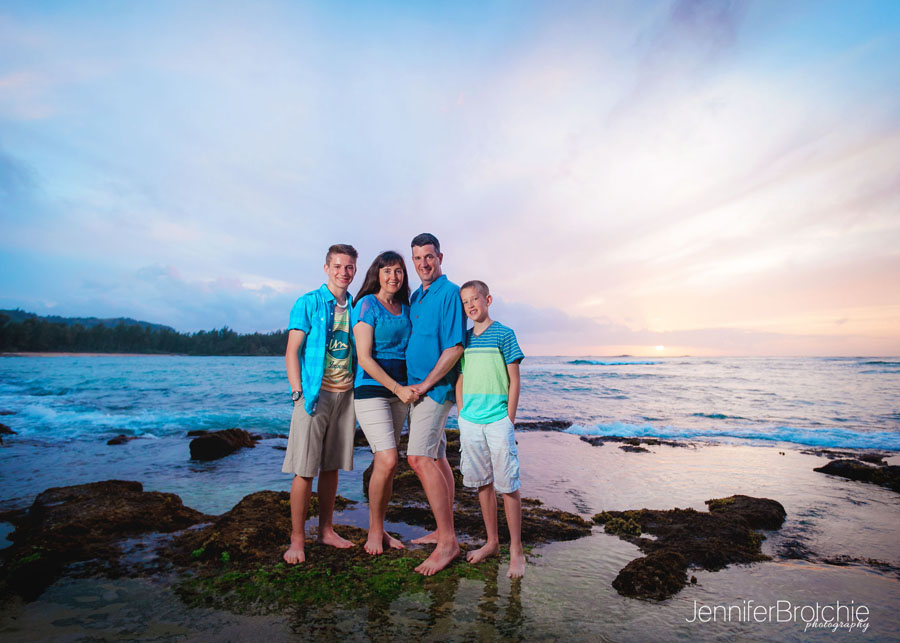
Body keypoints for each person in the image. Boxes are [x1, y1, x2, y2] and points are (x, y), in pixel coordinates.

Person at [281, 244, 359, 564]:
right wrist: (298, 394)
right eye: (338, 266)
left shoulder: (357, 306)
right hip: (315, 396)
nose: (344, 272)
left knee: (330, 467)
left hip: (346, 395)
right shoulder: (308, 302)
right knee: (304, 469)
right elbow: (292, 351)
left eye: (350, 267)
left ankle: (326, 531)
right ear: (326, 268)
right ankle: (297, 539)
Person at [454, 279, 526, 578]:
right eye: (466, 302)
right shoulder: (464, 340)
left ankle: (517, 551)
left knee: (508, 485)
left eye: (475, 299)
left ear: (488, 299)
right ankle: (492, 542)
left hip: (498, 420)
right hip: (470, 421)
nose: (471, 305)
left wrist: (509, 418)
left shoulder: (504, 334)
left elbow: (514, 380)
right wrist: (461, 414)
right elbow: (460, 378)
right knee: (482, 483)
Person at [405, 232, 466, 576]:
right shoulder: (417, 296)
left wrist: (427, 385)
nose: (423, 264)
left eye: (429, 256)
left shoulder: (450, 293)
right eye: (417, 258)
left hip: (435, 390)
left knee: (417, 458)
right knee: (439, 457)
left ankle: (448, 545)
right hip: (416, 391)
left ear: (440, 257)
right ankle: (443, 532)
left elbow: (455, 346)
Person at [351, 250, 420, 555]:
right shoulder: (367, 304)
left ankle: (380, 528)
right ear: (377, 274)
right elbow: (364, 357)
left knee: (386, 465)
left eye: (399, 271)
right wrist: (397, 388)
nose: (393, 277)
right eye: (387, 271)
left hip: (402, 390)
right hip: (372, 389)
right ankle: (374, 532)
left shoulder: (406, 307)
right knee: (389, 459)